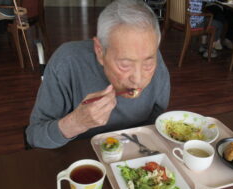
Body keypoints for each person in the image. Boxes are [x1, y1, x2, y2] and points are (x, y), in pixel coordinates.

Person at [26, 0, 170, 149]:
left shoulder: (155, 59)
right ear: (100, 51)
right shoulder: (67, 63)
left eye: (147, 63)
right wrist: (76, 122)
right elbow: (34, 136)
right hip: (80, 158)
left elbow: (156, 118)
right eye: (125, 65)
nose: (138, 79)